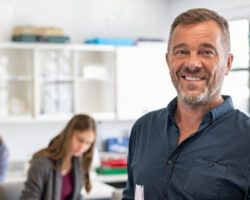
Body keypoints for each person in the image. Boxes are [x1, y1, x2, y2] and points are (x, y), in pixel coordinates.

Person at [122, 8, 250, 200]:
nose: (192, 63)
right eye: (181, 51)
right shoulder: (143, 128)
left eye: (206, 52)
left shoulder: (245, 139)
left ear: (228, 63)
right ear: (168, 60)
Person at [20, 114, 96, 200]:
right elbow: (29, 198)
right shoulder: (41, 163)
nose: (82, 147)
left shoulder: (77, 162)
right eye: (80, 140)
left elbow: (77, 196)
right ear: (69, 134)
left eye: (88, 143)